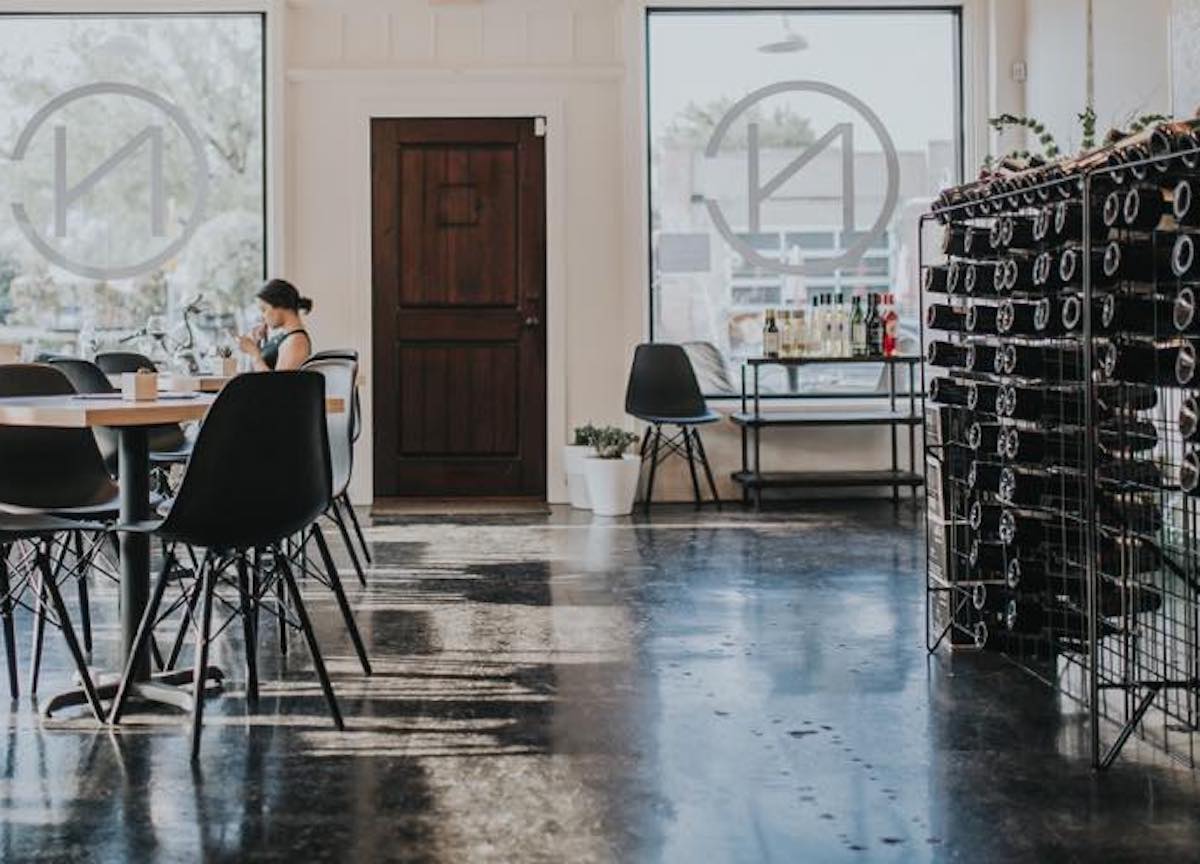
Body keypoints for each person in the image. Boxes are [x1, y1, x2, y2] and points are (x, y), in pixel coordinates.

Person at [238, 279, 313, 371]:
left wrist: (254, 353)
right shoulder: (284, 338)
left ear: (280, 305)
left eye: (264, 310)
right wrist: (257, 344)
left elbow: (276, 384)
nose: (262, 317)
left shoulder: (296, 341)